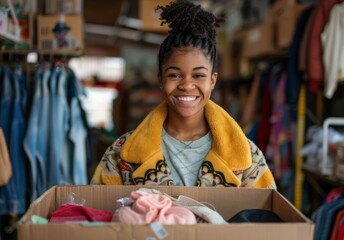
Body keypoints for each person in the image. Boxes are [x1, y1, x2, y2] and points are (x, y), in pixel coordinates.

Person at [91, 0, 276, 189]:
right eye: (174, 75)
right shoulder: (121, 152)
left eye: (198, 75)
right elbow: (99, 211)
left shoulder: (247, 156)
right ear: (161, 79)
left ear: (212, 81)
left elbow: (263, 215)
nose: (187, 85)